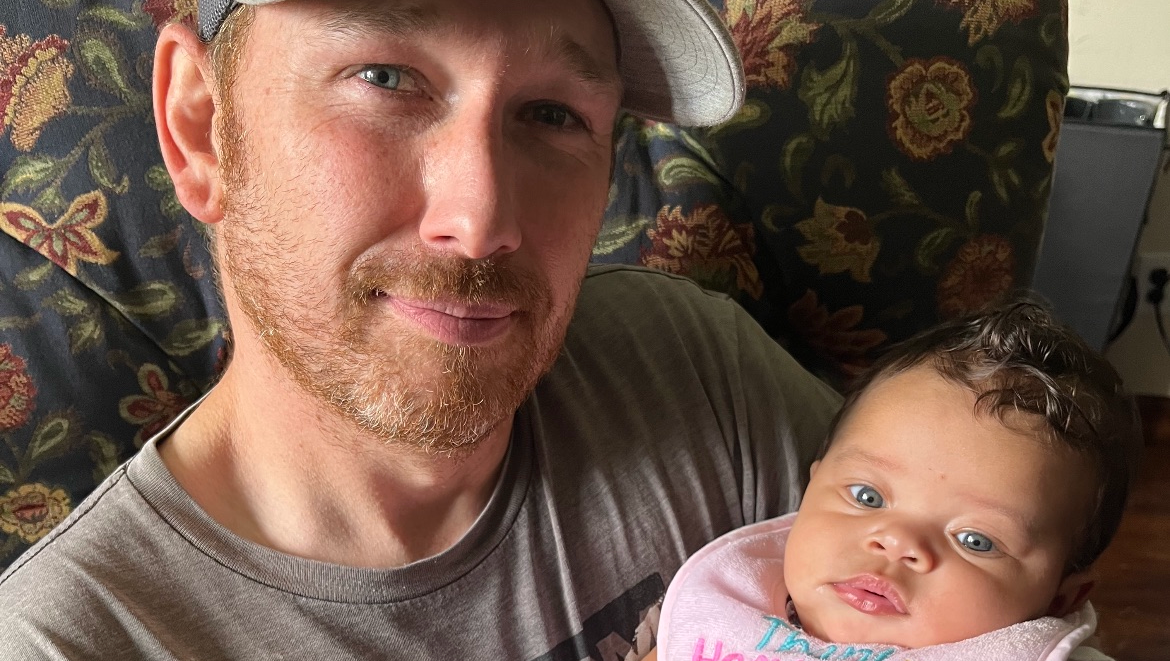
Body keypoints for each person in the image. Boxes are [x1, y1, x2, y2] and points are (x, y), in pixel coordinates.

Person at [0, 0, 843, 658]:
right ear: (201, 129)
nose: (480, 223)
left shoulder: (692, 368)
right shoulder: (71, 641)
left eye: (553, 114)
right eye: (386, 78)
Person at [651, 300, 1140, 661]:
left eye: (976, 540)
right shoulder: (731, 604)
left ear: (1059, 598)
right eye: (867, 496)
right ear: (812, 487)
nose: (897, 542)